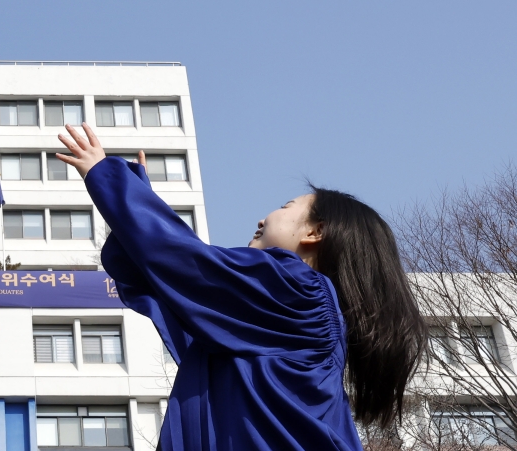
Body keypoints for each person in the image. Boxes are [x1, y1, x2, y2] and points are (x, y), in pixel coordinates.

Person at [56, 123, 426, 451]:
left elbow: (186, 264)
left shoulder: (299, 289)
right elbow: (166, 280)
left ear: (316, 232)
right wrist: (134, 211)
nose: (263, 217)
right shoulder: (267, 311)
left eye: (285, 206)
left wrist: (108, 178)